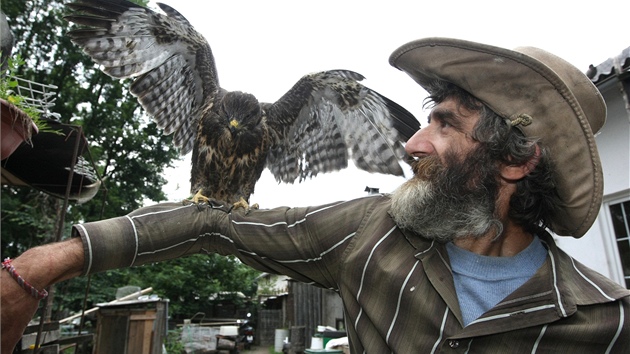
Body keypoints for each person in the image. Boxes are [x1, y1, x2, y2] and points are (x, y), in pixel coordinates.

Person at [2, 37, 629, 353]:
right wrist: (52, 259)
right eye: (422, 120)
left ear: (516, 161)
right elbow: (215, 224)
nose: (409, 146)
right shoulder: (371, 231)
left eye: (444, 125)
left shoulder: (606, 325)